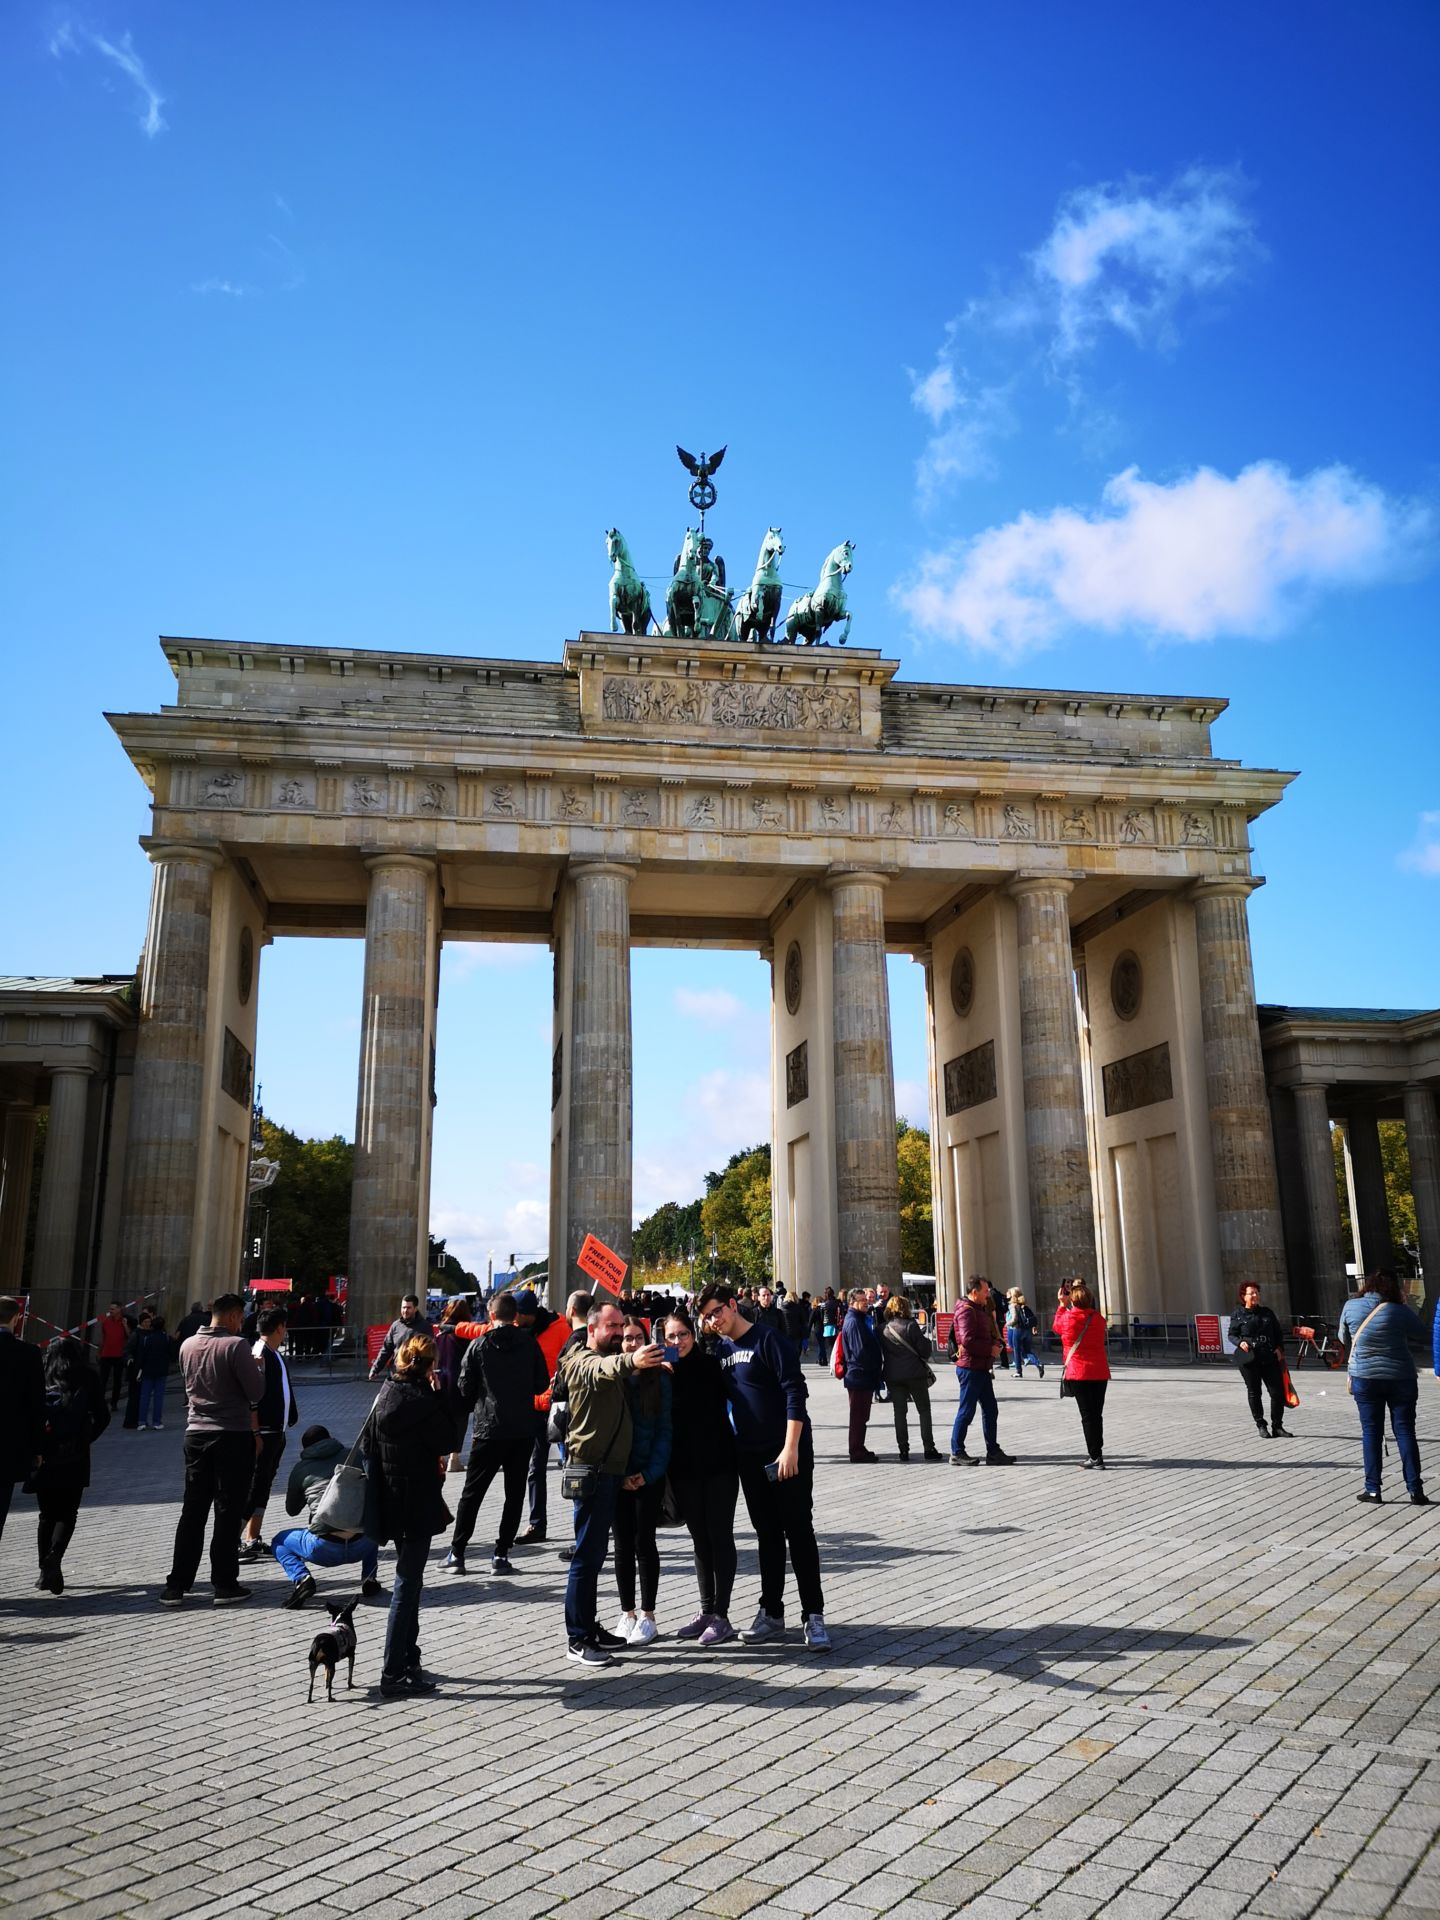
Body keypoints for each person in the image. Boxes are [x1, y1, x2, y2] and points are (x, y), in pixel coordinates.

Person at [697, 1282, 830, 1651]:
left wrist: (790, 1449)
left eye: (717, 1312)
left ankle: (813, 1616)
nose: (713, 1320)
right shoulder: (721, 1350)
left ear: (732, 1305)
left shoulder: (768, 1340)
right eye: (707, 1317)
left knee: (799, 1531)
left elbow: (795, 1392)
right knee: (767, 1535)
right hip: (749, 1456)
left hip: (786, 1452)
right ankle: (771, 1612)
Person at [556, 1299, 667, 1668]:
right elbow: (602, 1368)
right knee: (586, 1558)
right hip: (591, 1472)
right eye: (612, 1326)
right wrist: (632, 1361)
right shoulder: (580, 1361)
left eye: (622, 1327)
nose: (619, 1333)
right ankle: (577, 1638)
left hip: (612, 1473)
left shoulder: (612, 1362)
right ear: (592, 1330)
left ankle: (589, 1626)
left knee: (596, 1555)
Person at [160, 1294, 266, 1607]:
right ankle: (224, 1584)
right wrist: (257, 1368)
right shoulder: (236, 1346)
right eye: (241, 1317)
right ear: (233, 1316)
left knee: (192, 1510)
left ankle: (177, 1584)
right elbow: (256, 1392)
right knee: (227, 1510)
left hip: (195, 1434)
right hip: (231, 1434)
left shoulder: (187, 1345)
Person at [371, 1334, 456, 1695]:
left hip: (388, 1499)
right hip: (417, 1501)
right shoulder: (423, 1400)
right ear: (428, 1365)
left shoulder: (386, 1393)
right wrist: (439, 1396)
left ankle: (409, 1658)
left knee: (411, 1582)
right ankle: (393, 1671)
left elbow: (368, 1445)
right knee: (407, 1586)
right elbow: (449, 1440)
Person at [442, 1293, 548, 1576]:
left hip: (488, 1429)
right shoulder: (529, 1344)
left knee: (472, 1493)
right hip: (521, 1429)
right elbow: (540, 1384)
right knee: (514, 1494)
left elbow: (465, 1387)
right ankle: (501, 1555)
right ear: (515, 1316)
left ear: (491, 1315)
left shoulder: (479, 1345)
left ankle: (457, 1553)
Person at [664, 1309, 739, 1647]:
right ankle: (707, 1610)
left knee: (719, 1535)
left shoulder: (712, 1363)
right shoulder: (662, 1369)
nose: (677, 1342)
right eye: (671, 1337)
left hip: (719, 1463)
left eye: (682, 1334)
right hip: (683, 1468)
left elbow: (739, 1394)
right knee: (698, 1539)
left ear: (693, 1335)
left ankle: (722, 1616)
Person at [271, 1423, 385, 1607]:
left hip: (324, 1549)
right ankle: (369, 1580)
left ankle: (302, 1579)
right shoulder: (356, 1456)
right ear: (330, 1438)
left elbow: (291, 1511)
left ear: (306, 1448)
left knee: (278, 1541)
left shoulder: (301, 1469)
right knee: (367, 1523)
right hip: (363, 1544)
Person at [1340, 1271, 1428, 1505]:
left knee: (1371, 1433)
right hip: (1401, 1377)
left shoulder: (1351, 1306)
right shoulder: (1398, 1310)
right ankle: (1415, 1490)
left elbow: (1342, 1338)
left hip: (1365, 1377)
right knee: (1405, 1432)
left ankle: (1372, 1490)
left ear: (1366, 1287)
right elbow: (1423, 1335)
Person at [32, 1337, 111, 1593]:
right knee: (68, 1512)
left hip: (45, 1454)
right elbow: (103, 1416)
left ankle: (45, 1570)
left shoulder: (41, 1376)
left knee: (46, 1515)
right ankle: (54, 1556)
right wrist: (86, 1438)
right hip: (76, 1454)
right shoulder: (88, 1376)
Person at [612, 1316, 673, 1645]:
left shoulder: (659, 1380)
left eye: (637, 1337)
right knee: (621, 1546)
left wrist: (647, 1474)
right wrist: (619, 1475)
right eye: (625, 1338)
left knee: (644, 1543)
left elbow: (665, 1432)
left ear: (648, 1341)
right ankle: (627, 1612)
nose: (631, 1343)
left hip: (647, 1475)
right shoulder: (613, 1376)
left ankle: (648, 1615)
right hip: (616, 1475)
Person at [514, 1287, 572, 1546]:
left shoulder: (560, 1328)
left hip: (558, 1406)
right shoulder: (517, 1330)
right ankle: (537, 1524)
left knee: (574, 1467)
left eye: (517, 1315)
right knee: (535, 1467)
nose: (513, 1319)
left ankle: (586, 1528)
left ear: (528, 1314)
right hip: (533, 1409)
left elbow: (569, 1367)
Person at [240, 1307, 299, 1557]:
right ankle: (231, 1541)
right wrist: (255, 1433)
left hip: (277, 1431)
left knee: (263, 1485)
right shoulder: (258, 1353)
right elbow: (252, 1397)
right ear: (279, 1328)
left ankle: (252, 1537)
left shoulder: (274, 1353)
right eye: (284, 1326)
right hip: (263, 1433)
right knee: (254, 1486)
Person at [948, 1275, 1014, 1465]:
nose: (988, 1295)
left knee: (991, 1409)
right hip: (970, 1368)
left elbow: (981, 1334)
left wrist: (994, 1343)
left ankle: (993, 1451)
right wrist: (990, 1349)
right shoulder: (966, 1311)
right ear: (974, 1291)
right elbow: (967, 1341)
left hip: (981, 1367)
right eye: (985, 1291)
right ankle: (957, 1451)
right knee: (967, 1410)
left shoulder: (978, 1308)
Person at [1054, 1280, 1111, 1469]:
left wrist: (1062, 1305)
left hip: (1079, 1373)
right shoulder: (1098, 1319)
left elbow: (1056, 1327)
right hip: (1099, 1372)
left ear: (1073, 1300)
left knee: (1087, 1416)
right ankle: (1098, 1452)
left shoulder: (1069, 1318)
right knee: (1097, 1414)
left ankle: (1095, 1456)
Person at [882, 1295, 942, 1461]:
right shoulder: (910, 1326)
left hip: (893, 1376)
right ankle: (929, 1448)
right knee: (923, 1410)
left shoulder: (882, 1328)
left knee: (899, 1413)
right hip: (915, 1375)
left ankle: (903, 1450)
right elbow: (924, 1351)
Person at [1228, 1283, 1291, 1438]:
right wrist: (1239, 1342)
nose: (1255, 1295)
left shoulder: (1267, 1313)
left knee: (1277, 1393)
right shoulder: (1238, 1314)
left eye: (1257, 1292)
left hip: (1268, 1356)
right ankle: (1261, 1425)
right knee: (1254, 1392)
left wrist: (1278, 1348)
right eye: (1251, 1293)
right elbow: (1232, 1334)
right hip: (1249, 1358)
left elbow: (1278, 1333)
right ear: (1243, 1296)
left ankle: (1277, 1426)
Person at [839, 1288, 883, 1463]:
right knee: (858, 1417)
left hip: (861, 1376)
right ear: (852, 1303)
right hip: (859, 1376)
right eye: (861, 1300)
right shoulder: (854, 1322)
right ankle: (856, 1451)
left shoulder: (858, 1319)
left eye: (866, 1299)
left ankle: (859, 1447)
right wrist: (874, 1367)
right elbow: (860, 1352)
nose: (866, 1302)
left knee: (861, 1416)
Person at [368, 1293, 432, 1380]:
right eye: (403, 1307)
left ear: (415, 1308)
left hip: (415, 1376)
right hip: (396, 1373)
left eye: (408, 1308)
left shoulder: (425, 1327)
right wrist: (375, 1369)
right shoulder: (396, 1325)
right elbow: (386, 1349)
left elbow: (428, 1353)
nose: (405, 1310)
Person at [134, 1313, 175, 1429]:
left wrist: (140, 1368)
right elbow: (172, 1354)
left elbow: (141, 1355)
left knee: (144, 1396)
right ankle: (157, 1421)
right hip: (161, 1370)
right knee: (158, 1397)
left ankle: (142, 1421)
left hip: (147, 1369)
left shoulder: (147, 1338)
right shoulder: (166, 1338)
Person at [1005, 1290, 1044, 1381]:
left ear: (1013, 1296)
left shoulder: (1012, 1305)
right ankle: (1038, 1364)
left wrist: (1007, 1324)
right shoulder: (1024, 1306)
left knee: (1017, 1350)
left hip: (1018, 1329)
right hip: (1027, 1330)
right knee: (1027, 1350)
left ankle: (1018, 1371)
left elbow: (1014, 1319)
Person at [96, 1303, 128, 1410]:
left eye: (113, 1309)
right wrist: (99, 1352)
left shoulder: (124, 1321)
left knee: (117, 1380)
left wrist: (125, 1325)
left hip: (118, 1355)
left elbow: (129, 1335)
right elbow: (103, 1338)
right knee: (103, 1380)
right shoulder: (106, 1321)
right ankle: (100, 1401)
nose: (111, 1310)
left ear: (119, 1309)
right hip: (106, 1354)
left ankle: (114, 1403)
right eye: (110, 1309)